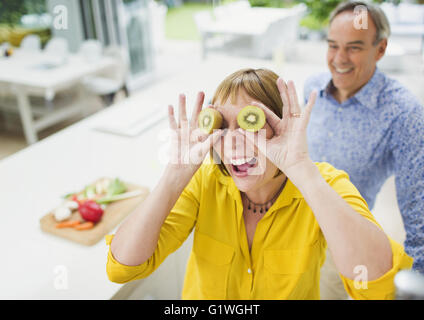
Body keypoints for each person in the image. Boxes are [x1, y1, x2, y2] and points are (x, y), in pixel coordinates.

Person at [106, 68, 412, 299]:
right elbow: (122, 267)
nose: (233, 143)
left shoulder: (323, 182)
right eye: (221, 125)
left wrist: (299, 168)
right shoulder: (204, 180)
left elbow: (376, 283)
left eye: (250, 123)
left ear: (283, 127)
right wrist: (174, 175)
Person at [303, 1, 424, 299]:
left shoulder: (403, 113)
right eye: (333, 45)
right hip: (282, 227)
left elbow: (418, 212)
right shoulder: (311, 88)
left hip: (337, 243)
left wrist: (415, 283)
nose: (339, 59)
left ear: (380, 49)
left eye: (354, 47)